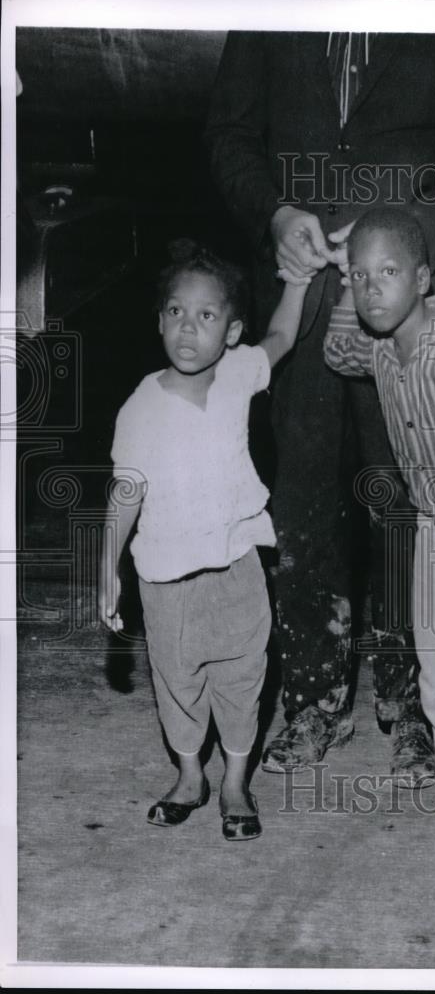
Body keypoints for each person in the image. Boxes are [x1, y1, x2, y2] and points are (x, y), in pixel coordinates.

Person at [204, 31, 435, 782]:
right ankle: (311, 699)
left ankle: (418, 710)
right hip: (299, 292)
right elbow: (229, 133)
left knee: (415, 502)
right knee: (302, 500)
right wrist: (272, 214)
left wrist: (403, 242)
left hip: (414, 288)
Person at [97, 240, 311, 841]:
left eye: (206, 316)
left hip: (237, 565)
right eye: (175, 312)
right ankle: (190, 775)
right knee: (177, 683)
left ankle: (236, 782)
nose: (188, 328)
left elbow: (282, 339)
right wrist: (105, 568)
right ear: (159, 319)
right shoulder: (140, 406)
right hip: (166, 580)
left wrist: (296, 282)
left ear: (231, 330)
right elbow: (126, 493)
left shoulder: (240, 372)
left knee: (244, 678)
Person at [321, 208, 435, 834]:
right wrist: (339, 275)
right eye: (361, 277)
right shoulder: (377, 348)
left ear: (422, 278)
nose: (371, 289)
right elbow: (336, 349)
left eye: (387, 272)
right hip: (432, 530)